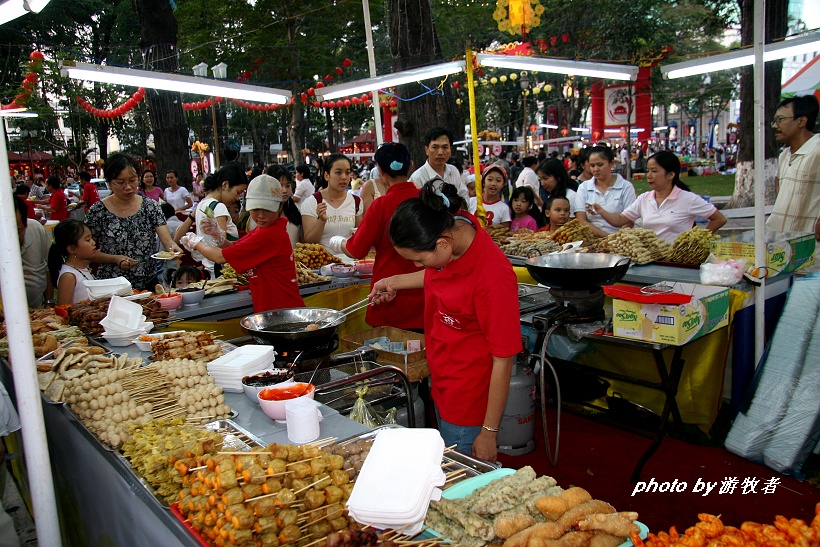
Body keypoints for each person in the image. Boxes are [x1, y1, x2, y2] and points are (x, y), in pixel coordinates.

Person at [369, 181, 521, 461]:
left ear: (442, 243)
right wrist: (395, 282)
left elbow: (504, 359)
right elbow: (436, 273)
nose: (417, 266)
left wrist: (488, 432)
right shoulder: (452, 224)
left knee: (460, 483)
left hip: (467, 403)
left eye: (417, 259)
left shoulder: (492, 278)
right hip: (441, 380)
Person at [326, 142, 425, 330]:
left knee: (387, 355)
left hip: (388, 294)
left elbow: (356, 249)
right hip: (426, 295)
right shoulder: (427, 199)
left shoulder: (381, 205)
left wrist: (339, 243)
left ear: (379, 169)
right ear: (410, 165)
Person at [181, 175, 304, 313]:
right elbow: (235, 248)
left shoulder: (270, 234)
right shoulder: (264, 229)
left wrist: (195, 242)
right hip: (277, 310)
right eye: (256, 209)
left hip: (282, 311)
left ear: (280, 206)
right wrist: (219, 236)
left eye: (268, 210)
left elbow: (219, 257)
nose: (261, 215)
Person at [86, 153, 183, 291]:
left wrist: (172, 248)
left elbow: (167, 240)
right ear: (109, 183)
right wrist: (115, 259)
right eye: (120, 183)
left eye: (132, 181)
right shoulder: (97, 212)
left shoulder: (150, 206)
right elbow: (89, 252)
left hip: (148, 281)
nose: (128, 187)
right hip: (113, 285)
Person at [592, 151, 727, 243]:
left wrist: (697, 240)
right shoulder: (644, 198)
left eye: (654, 171)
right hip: (652, 257)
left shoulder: (688, 199)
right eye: (648, 171)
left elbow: (719, 219)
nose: (649, 176)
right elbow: (620, 220)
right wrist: (602, 212)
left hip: (677, 260)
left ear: (670, 175)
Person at [173, 163, 248, 278]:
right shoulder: (219, 207)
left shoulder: (203, 204)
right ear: (225, 185)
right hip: (223, 272)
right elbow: (221, 244)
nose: (237, 198)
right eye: (238, 192)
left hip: (208, 268)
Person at [766, 95, 820, 240]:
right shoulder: (784, 156)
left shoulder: (817, 150)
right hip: (779, 241)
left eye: (780, 120)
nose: (775, 126)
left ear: (801, 121)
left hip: (809, 246)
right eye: (774, 120)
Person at [301, 153, 363, 251]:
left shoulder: (356, 201)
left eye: (347, 172)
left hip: (350, 262)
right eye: (338, 172)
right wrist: (321, 221)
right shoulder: (312, 202)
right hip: (322, 263)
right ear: (326, 175)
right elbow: (309, 240)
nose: (344, 177)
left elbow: (360, 235)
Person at [574, 145, 637, 237]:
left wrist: (615, 239)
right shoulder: (584, 187)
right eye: (592, 165)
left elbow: (629, 220)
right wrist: (606, 237)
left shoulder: (625, 187)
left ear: (611, 163)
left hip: (620, 240)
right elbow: (581, 220)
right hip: (592, 238)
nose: (596, 169)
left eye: (600, 165)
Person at [408, 127, 469, 203]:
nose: (440, 152)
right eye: (435, 147)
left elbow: (464, 197)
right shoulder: (417, 178)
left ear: (451, 149)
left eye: (445, 147)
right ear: (426, 150)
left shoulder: (454, 171)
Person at [47, 219, 96, 305]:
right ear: (72, 249)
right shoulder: (68, 276)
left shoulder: (83, 267)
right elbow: (64, 310)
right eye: (88, 240)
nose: (93, 243)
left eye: (91, 238)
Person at [15, 196, 52, 307]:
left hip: (36, 309)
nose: (14, 237)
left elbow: (47, 267)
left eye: (18, 230)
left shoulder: (35, 229)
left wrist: (49, 302)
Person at [470, 164, 511, 228]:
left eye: (498, 180)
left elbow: (504, 233)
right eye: (490, 179)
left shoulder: (504, 208)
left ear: (503, 184)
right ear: (483, 182)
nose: (493, 184)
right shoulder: (471, 201)